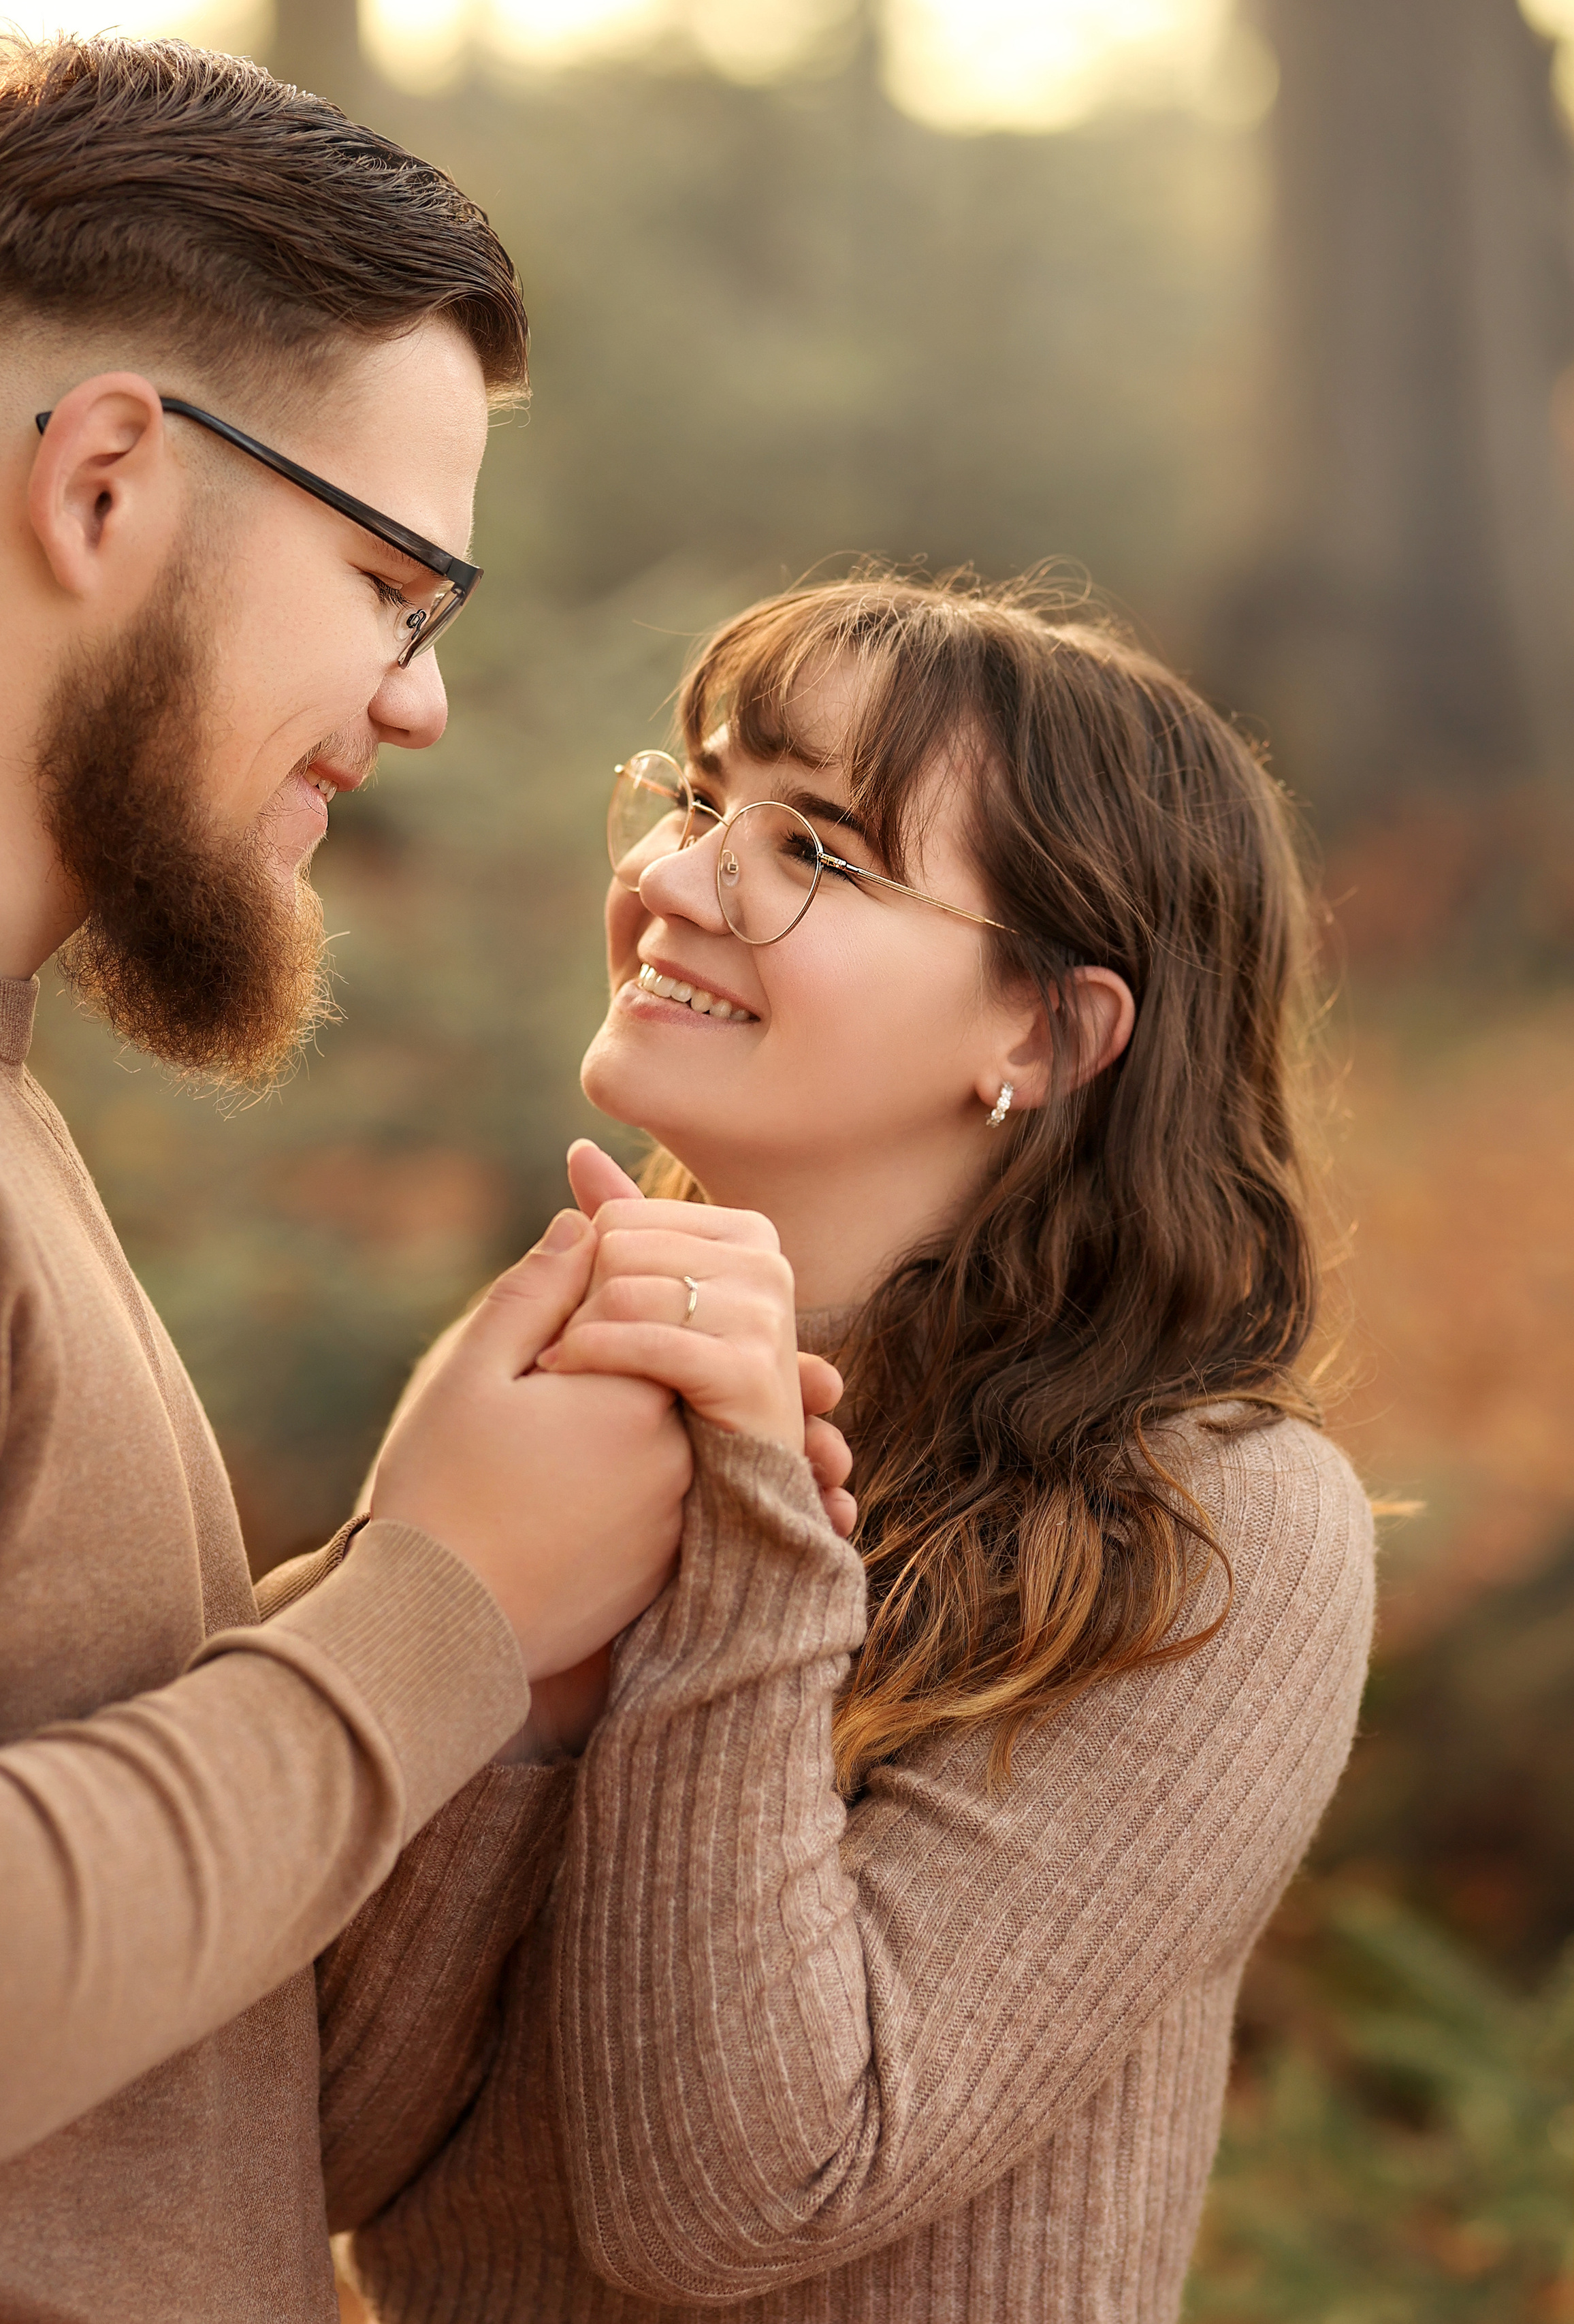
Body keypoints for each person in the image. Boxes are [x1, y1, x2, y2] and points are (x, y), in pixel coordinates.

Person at [0, 35, 849, 2321]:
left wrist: (473, 1604)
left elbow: (82, 1990)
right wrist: (438, 1603)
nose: (418, 703)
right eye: (391, 581)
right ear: (104, 480)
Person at [317, 572, 1377, 2323]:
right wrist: (513, 1680)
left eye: (811, 848)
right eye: (695, 801)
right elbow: (311, 2143)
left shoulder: (1211, 1529)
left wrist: (738, 1570)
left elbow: (735, 2200)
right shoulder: (566, 1401)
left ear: (1045, 1030)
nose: (664, 880)